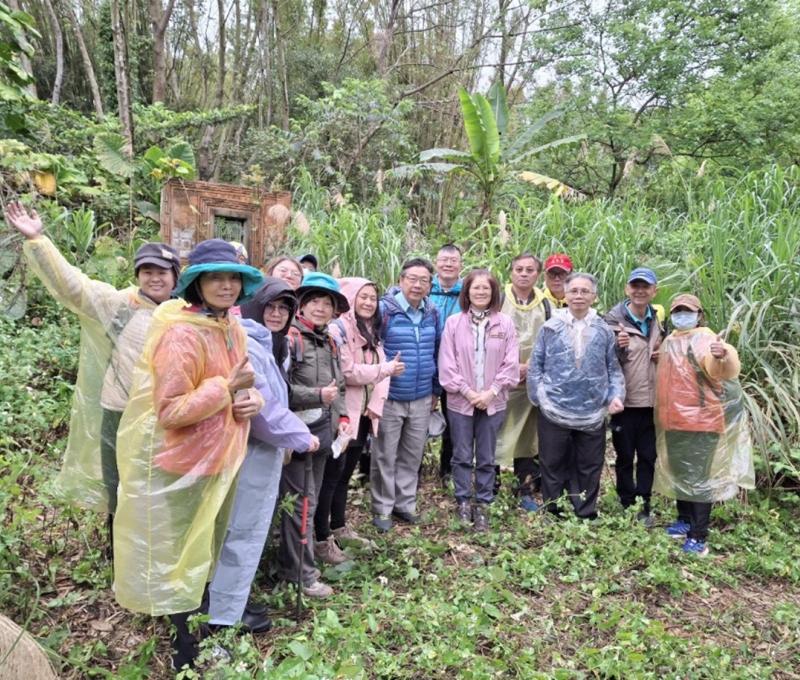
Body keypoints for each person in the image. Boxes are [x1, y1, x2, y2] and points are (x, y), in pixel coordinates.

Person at [112, 239, 264, 671]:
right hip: (184, 464)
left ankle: (201, 629)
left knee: (204, 551)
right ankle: (185, 646)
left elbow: (240, 384)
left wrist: (249, 401)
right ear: (197, 283)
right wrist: (226, 390)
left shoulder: (229, 326)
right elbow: (172, 410)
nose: (227, 285)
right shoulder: (181, 333)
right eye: (216, 277)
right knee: (182, 556)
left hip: (220, 457)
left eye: (234, 277)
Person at [2, 202, 180, 527]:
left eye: (162, 272)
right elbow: (74, 287)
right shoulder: (119, 305)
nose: (155, 278)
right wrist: (39, 239)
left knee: (160, 496)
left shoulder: (184, 316)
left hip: (166, 417)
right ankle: (119, 569)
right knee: (120, 494)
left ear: (175, 277)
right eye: (148, 271)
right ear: (138, 275)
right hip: (119, 411)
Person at [207, 277, 320, 634]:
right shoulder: (248, 342)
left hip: (259, 452)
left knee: (242, 532)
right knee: (241, 532)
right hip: (250, 452)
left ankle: (231, 603)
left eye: (284, 308)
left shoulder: (268, 340)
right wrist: (302, 437)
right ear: (256, 305)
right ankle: (223, 617)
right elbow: (263, 410)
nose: (276, 314)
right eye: (270, 306)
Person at [653, 293, 753, 556]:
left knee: (699, 480)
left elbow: (721, 366)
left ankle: (699, 536)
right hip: (673, 421)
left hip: (701, 422)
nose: (681, 315)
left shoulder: (706, 339)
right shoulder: (671, 340)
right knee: (680, 475)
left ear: (699, 314)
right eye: (677, 310)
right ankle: (684, 521)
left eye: (688, 310)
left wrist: (723, 354)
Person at [528, 273, 625, 519]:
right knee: (552, 462)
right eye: (574, 291)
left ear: (594, 296)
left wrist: (615, 396)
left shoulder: (604, 330)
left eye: (585, 291)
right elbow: (536, 365)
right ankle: (553, 509)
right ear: (566, 294)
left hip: (592, 410)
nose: (579, 296)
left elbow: (613, 369)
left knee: (590, 464)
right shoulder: (550, 328)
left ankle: (585, 510)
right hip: (553, 408)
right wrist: (540, 397)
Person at [280, 272, 350, 597]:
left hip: (324, 433)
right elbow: (280, 390)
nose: (321, 308)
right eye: (315, 302)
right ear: (302, 306)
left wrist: (344, 417)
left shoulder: (330, 340)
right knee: (301, 504)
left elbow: (340, 386)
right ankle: (301, 574)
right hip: (297, 436)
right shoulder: (289, 338)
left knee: (312, 499)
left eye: (327, 303)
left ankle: (300, 563)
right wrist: (316, 395)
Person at [321, 277, 403, 547]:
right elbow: (348, 372)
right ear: (350, 297)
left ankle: (339, 526)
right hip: (344, 415)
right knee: (332, 475)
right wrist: (385, 369)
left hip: (363, 415)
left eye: (372, 297)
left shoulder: (369, 328)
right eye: (363, 296)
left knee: (344, 474)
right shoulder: (340, 329)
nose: (368, 302)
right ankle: (323, 536)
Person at [438, 270, 519, 531]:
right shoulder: (453, 323)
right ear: (467, 292)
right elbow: (447, 364)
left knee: (486, 456)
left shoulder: (504, 323)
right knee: (461, 454)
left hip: (493, 401)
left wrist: (491, 392)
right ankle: (462, 500)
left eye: (486, 288)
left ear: (493, 292)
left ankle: (482, 503)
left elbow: (511, 362)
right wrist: (469, 392)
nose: (481, 292)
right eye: (476, 288)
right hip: (461, 401)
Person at [371, 258, 440, 532]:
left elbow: (437, 351)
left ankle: (405, 504)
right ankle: (383, 508)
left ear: (429, 286)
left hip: (422, 396)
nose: (417, 285)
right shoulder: (384, 310)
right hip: (390, 396)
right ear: (400, 280)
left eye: (424, 280)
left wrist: (435, 390)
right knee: (385, 454)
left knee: (412, 455)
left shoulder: (432, 312)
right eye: (412, 278)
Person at [604, 267, 665, 525]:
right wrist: (618, 348)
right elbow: (604, 361)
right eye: (635, 286)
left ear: (654, 290)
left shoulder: (659, 320)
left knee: (649, 457)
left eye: (645, 286)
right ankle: (627, 502)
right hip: (625, 402)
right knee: (625, 456)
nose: (640, 291)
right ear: (627, 289)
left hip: (652, 403)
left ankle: (645, 504)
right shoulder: (612, 321)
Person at [495, 253, 552, 511]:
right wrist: (509, 366)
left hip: (532, 380)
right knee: (491, 434)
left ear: (538, 274)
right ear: (511, 272)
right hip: (498, 381)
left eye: (530, 270)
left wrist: (532, 367)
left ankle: (525, 489)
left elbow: (551, 341)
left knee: (528, 438)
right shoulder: (498, 298)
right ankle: (490, 487)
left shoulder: (546, 304)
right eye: (519, 269)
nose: (524, 274)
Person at [428, 244, 463, 486]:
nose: (448, 264)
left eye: (453, 260)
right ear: (436, 262)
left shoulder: (468, 291)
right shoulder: (423, 287)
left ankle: (447, 468)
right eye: (444, 260)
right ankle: (413, 467)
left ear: (461, 264)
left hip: (457, 367)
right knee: (418, 418)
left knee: (454, 420)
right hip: (425, 363)